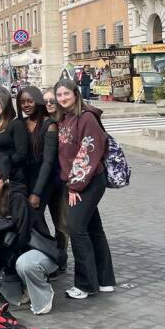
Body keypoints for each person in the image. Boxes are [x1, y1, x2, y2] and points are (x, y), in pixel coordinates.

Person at [55, 78, 116, 300]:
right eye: (59, 95)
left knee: (76, 227)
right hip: (79, 181)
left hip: (88, 181)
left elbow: (89, 152)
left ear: (75, 94)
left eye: (66, 94)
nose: (62, 98)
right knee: (93, 229)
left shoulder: (87, 117)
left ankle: (86, 284)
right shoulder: (65, 118)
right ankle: (105, 280)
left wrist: (74, 186)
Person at [0, 160, 61, 315]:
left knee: (25, 264)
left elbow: (22, 234)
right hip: (12, 251)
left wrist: (6, 257)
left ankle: (43, 294)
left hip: (36, 250)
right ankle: (22, 291)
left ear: (4, 179)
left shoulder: (17, 197)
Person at [35, 89, 69, 264]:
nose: (49, 104)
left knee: (62, 224)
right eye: (45, 101)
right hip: (42, 181)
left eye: (52, 101)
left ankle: (60, 256)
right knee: (39, 220)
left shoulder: (66, 123)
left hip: (61, 182)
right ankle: (49, 252)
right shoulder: (39, 123)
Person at [0, 86, 30, 186]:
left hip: (13, 180)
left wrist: (0, 162)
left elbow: (21, 155)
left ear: (6, 100)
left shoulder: (16, 124)